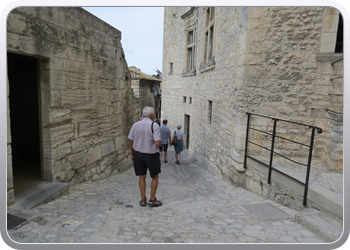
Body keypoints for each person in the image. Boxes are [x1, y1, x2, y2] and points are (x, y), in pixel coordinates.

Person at [128, 107, 162, 207]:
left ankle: (143, 199)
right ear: (152, 115)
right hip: (151, 155)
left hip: (138, 154)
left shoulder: (135, 125)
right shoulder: (154, 125)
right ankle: (152, 199)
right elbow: (157, 143)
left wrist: (133, 153)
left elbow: (131, 141)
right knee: (155, 176)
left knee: (142, 176)